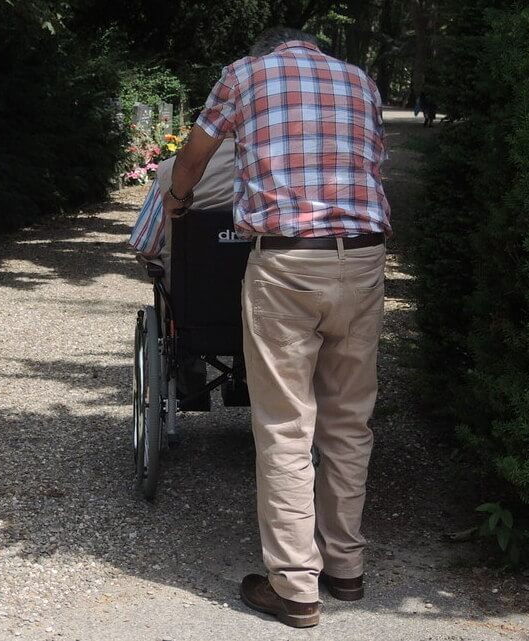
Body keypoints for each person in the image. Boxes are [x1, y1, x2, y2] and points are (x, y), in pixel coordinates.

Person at [163, 28, 390, 628]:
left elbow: (192, 158)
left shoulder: (244, 75)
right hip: (363, 256)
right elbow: (371, 160)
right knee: (349, 419)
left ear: (269, 51)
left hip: (287, 261)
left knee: (287, 425)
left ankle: (294, 586)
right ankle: (346, 565)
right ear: (315, 48)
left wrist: (178, 203)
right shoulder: (361, 81)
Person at [129, 138, 236, 410]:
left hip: (191, 309)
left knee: (174, 288)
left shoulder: (170, 171)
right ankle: (246, 384)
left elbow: (146, 244)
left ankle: (190, 383)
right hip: (263, 306)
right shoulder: (275, 171)